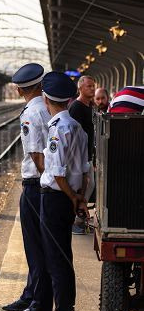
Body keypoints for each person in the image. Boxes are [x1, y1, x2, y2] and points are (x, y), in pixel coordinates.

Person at [29, 71, 89, 311]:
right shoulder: (77, 126)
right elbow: (85, 169)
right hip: (69, 198)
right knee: (64, 258)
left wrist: (69, 195)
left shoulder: (57, 129)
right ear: (68, 99)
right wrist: (79, 197)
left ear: (45, 97)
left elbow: (57, 174)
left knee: (56, 261)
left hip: (54, 200)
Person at [2, 63, 53, 311]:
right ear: (40, 85)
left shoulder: (31, 113)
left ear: (19, 89)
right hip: (40, 184)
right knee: (37, 245)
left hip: (36, 185)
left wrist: (47, 182)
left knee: (35, 246)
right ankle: (31, 293)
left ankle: (39, 304)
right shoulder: (44, 107)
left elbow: (35, 154)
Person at [69, 75, 95, 234]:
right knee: (81, 187)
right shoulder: (76, 107)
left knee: (89, 185)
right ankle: (76, 220)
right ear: (80, 88)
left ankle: (80, 217)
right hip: (79, 156)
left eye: (93, 86)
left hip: (88, 155)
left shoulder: (90, 106)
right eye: (89, 86)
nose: (92, 88)